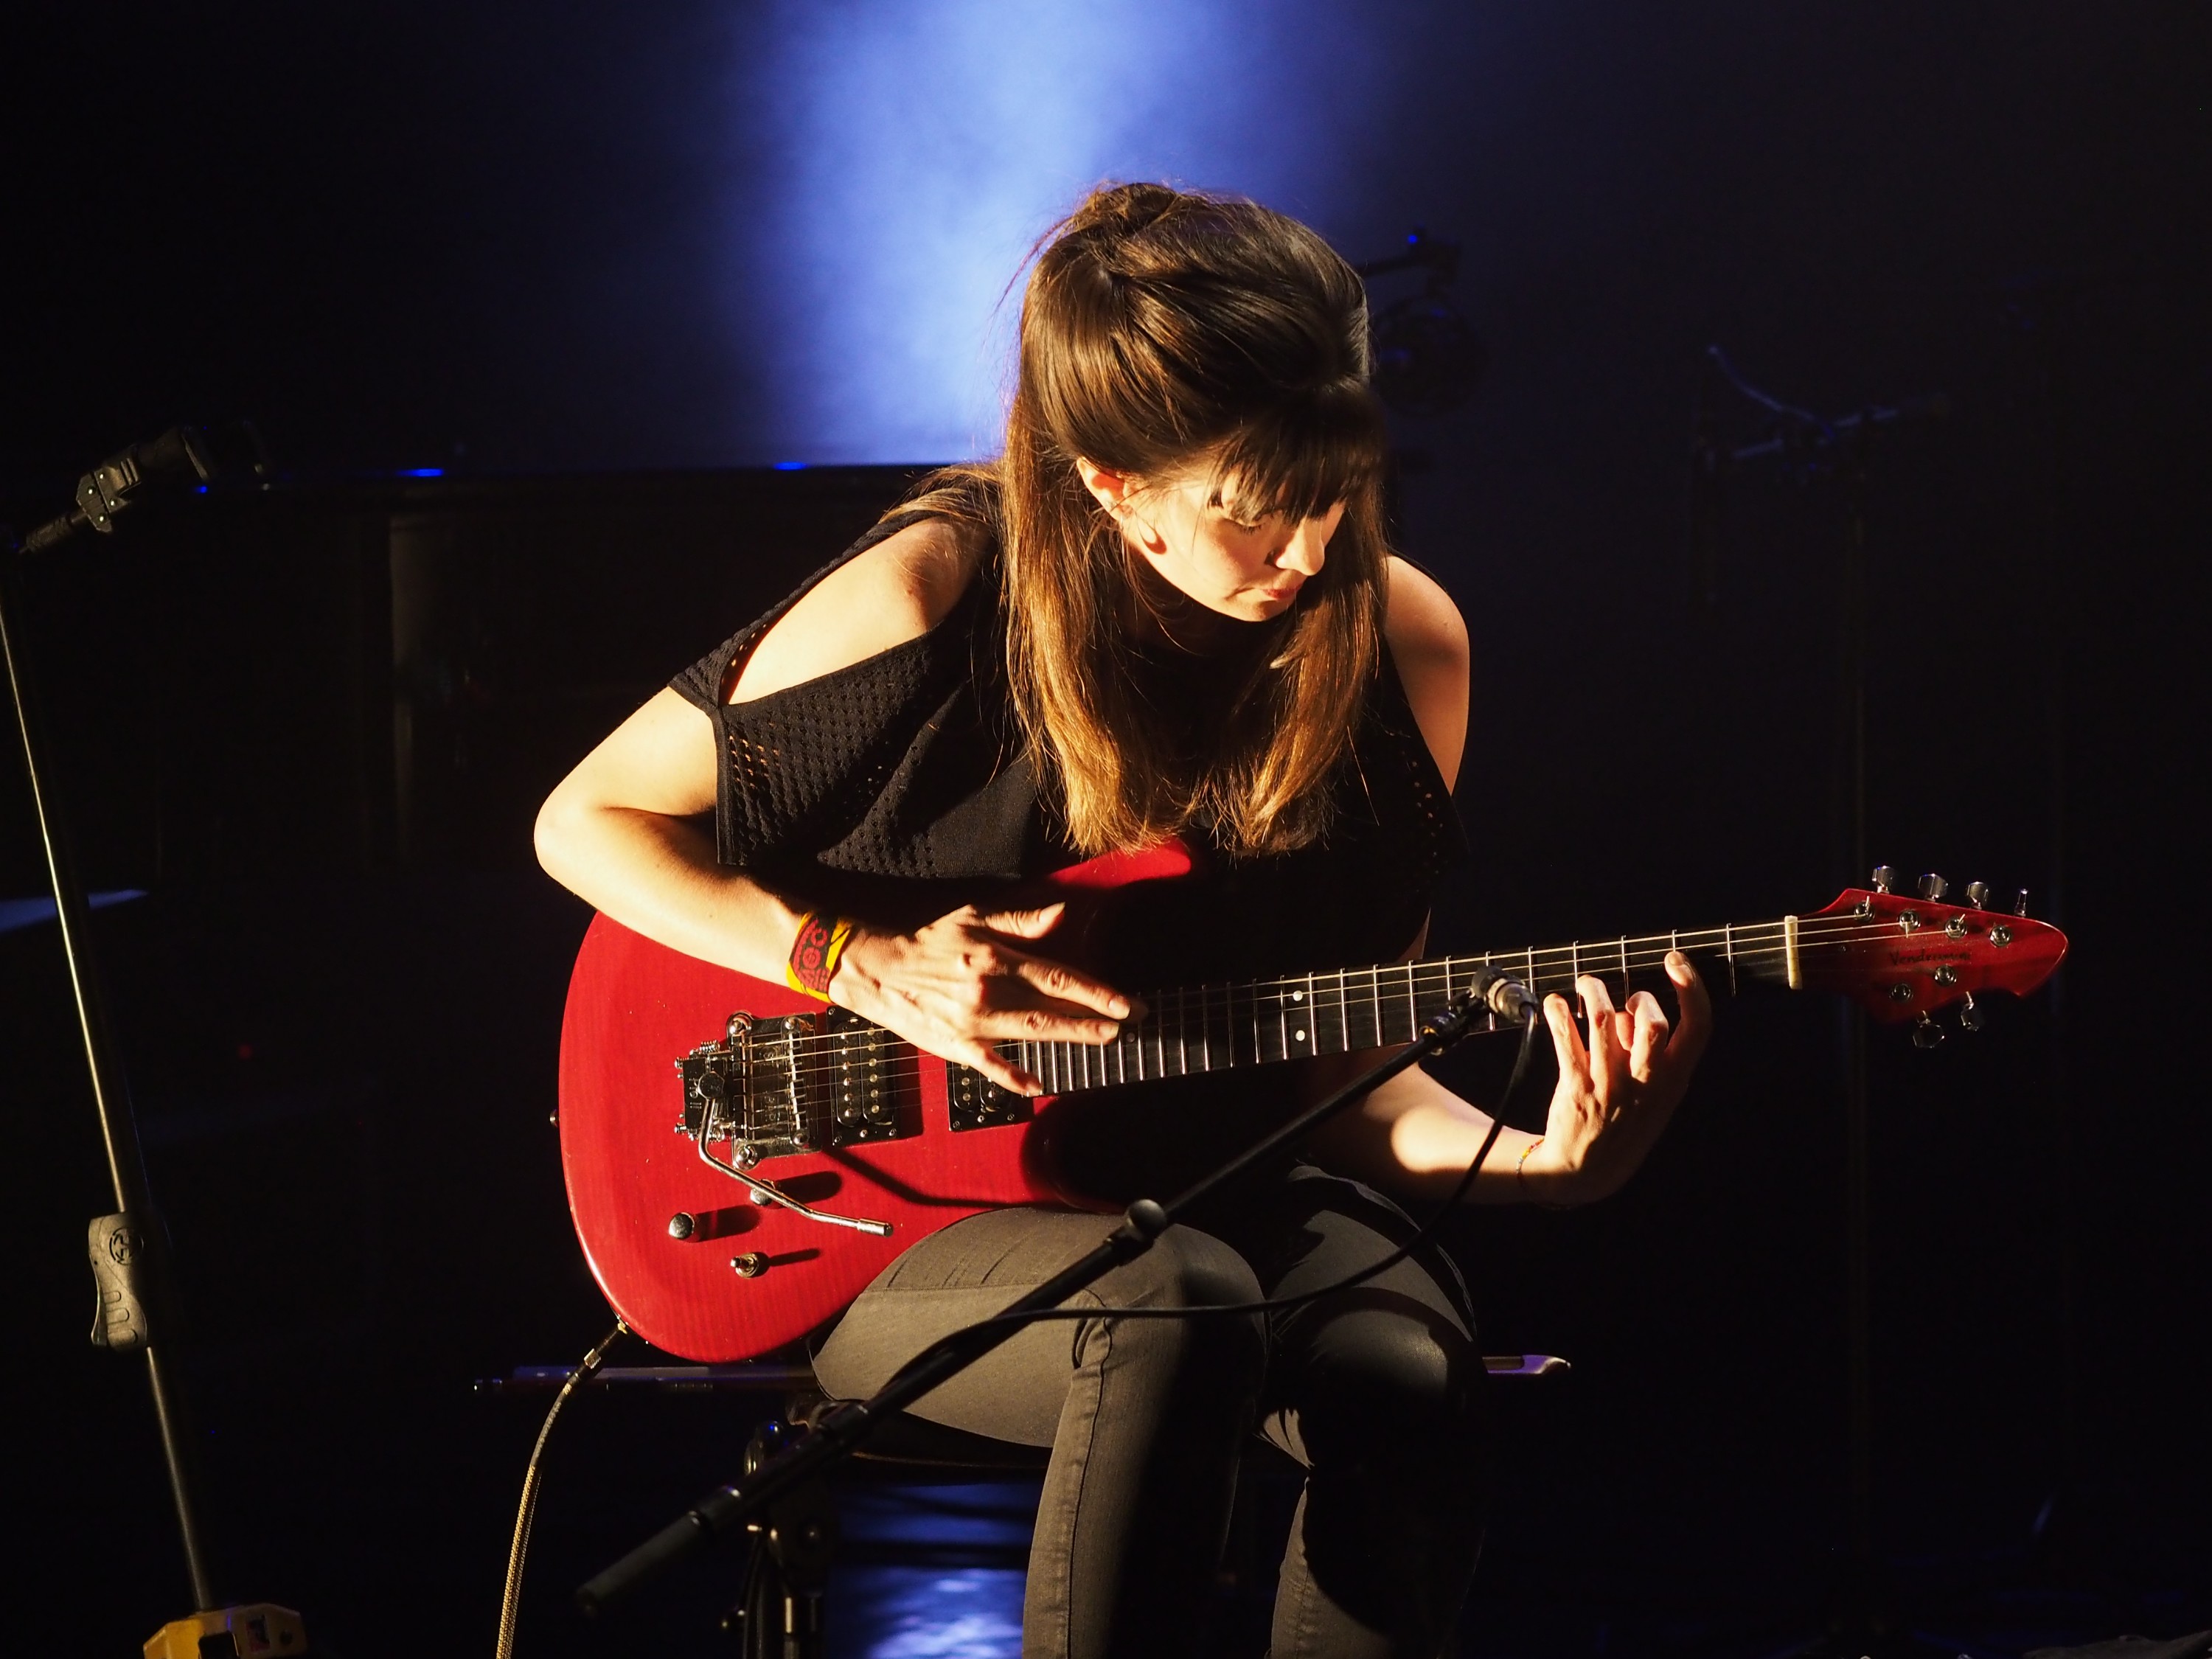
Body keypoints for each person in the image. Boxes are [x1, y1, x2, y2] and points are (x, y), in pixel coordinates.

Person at [534, 182, 1708, 1659]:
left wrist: (1537, 1163)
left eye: (1337, 488)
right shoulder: (933, 593)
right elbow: (581, 819)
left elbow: (1335, 1077)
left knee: (1407, 1365)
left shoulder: (1400, 647)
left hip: (1187, 1186)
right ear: (1112, 484)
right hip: (861, 1207)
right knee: (1178, 1304)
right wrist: (854, 959)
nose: (1309, 547)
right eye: (1252, 506)